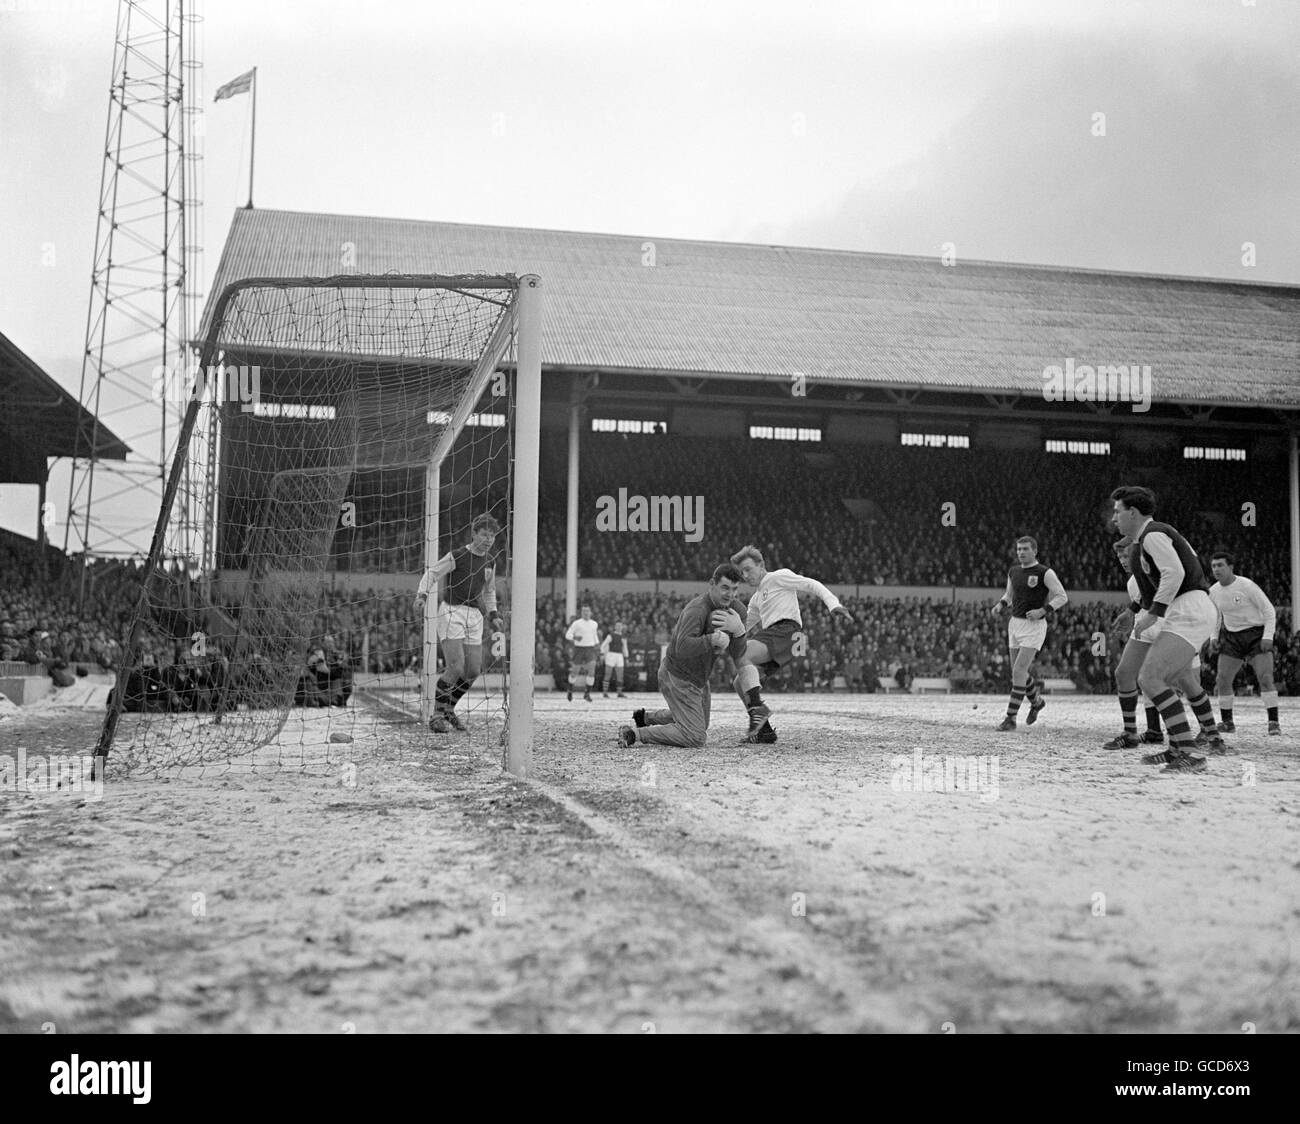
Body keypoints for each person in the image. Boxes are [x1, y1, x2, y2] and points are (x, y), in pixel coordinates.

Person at [1111, 485, 1218, 774]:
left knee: (1151, 677)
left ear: (1132, 513)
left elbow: (1175, 573)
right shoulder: (1145, 541)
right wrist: (1134, 612)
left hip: (1189, 609)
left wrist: (1153, 613)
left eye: (1117, 511)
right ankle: (1178, 748)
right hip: (1182, 609)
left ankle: (1191, 753)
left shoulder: (1153, 534)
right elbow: (1155, 585)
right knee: (1164, 678)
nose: (1114, 518)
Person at [1102, 536, 1224, 753]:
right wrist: (1131, 613)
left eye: (1126, 553)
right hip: (1145, 626)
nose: (1122, 559)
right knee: (1124, 674)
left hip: (1171, 625)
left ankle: (1211, 736)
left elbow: (1173, 584)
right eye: (1119, 555)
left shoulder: (1158, 563)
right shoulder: (1133, 581)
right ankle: (1131, 733)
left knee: (1184, 680)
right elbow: (1142, 600)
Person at [728, 545, 853, 743]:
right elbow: (743, 626)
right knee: (739, 681)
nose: (745, 575)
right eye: (742, 572)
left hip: (788, 632)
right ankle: (765, 732)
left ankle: (758, 711)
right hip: (784, 639)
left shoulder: (778, 577)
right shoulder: (755, 599)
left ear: (761, 565)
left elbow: (811, 584)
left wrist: (833, 603)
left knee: (743, 654)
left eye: (748, 569)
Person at [618, 563, 748, 748]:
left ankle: (645, 718)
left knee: (700, 723)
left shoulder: (737, 611)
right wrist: (711, 639)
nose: (730, 594)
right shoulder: (697, 610)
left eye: (735, 589)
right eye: (725, 588)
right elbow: (682, 647)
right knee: (695, 736)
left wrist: (740, 632)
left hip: (699, 678)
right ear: (712, 584)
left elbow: (738, 654)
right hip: (677, 676)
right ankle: (635, 733)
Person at [414, 514, 504, 734]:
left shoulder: (490, 561)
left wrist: (493, 615)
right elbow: (432, 572)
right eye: (484, 534)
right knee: (456, 666)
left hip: (475, 615)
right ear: (474, 534)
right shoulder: (458, 555)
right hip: (452, 611)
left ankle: (449, 709)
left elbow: (489, 591)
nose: (488, 539)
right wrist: (422, 595)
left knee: (473, 670)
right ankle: (436, 715)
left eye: (492, 536)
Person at [989, 536, 1068, 730]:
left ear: (1034, 551)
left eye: (1025, 549)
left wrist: (1043, 611)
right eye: (1018, 549)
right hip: (1015, 624)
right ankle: (1037, 702)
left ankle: (1010, 719)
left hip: (1034, 627)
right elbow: (1009, 595)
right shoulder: (1013, 571)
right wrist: (1000, 604)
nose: (1021, 552)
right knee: (1017, 672)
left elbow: (1062, 597)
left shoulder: (1045, 572)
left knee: (1018, 671)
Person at [1207, 552, 1281, 735]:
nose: (1216, 569)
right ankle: (1227, 722)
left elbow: (1269, 610)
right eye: (1214, 566)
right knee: (1222, 680)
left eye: (1220, 565)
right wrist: (1213, 638)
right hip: (1232, 637)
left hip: (1256, 634)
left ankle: (1273, 722)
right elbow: (1215, 617)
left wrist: (1268, 637)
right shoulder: (1213, 591)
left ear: (1231, 567)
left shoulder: (1247, 585)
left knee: (1265, 678)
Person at [564, 605, 599, 703]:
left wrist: (597, 644)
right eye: (584, 611)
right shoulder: (576, 623)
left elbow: (594, 635)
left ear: (590, 612)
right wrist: (575, 638)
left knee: (592, 671)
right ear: (581, 612)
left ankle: (587, 693)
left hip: (590, 649)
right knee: (575, 672)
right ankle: (570, 690)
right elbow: (568, 635)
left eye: (587, 611)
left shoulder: (594, 624)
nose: (586, 613)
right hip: (579, 649)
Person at [600, 620, 630, 698]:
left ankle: (619, 692)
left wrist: (626, 658)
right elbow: (603, 645)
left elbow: (625, 648)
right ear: (615, 627)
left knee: (620, 675)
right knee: (608, 674)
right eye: (617, 626)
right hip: (611, 655)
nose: (619, 627)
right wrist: (602, 654)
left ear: (622, 627)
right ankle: (605, 692)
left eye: (620, 626)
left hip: (619, 656)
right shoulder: (610, 635)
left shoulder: (623, 637)